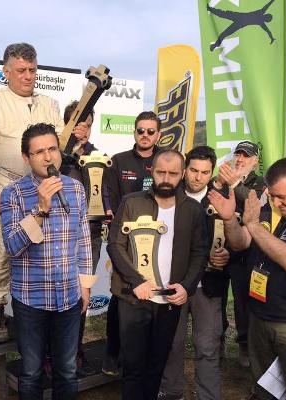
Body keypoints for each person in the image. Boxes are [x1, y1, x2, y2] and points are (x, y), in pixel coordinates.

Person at [208, 157, 286, 400]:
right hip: (261, 318)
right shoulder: (272, 210)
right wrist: (229, 220)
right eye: (272, 196)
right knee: (265, 390)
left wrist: (253, 225)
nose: (276, 202)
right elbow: (240, 243)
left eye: (282, 197)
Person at [0, 42, 64, 342]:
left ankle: (39, 312)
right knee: (2, 248)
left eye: (32, 70)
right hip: (6, 185)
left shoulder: (49, 103)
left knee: (43, 249)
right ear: (6, 72)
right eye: (21, 70)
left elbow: (60, 145)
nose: (27, 76)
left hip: (44, 187)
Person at [0, 123, 95, 399]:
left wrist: (85, 286)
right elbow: (13, 247)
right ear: (26, 157)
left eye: (52, 149)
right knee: (31, 372)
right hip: (30, 298)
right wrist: (40, 210)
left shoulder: (75, 188)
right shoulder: (13, 193)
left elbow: (83, 241)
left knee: (67, 370)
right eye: (39, 151)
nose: (48, 156)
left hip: (69, 296)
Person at [107, 149, 208, 400]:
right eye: (161, 172)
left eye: (173, 173)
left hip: (170, 299)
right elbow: (115, 245)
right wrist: (137, 281)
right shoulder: (131, 202)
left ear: (182, 174)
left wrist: (187, 286)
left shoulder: (193, 210)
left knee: (157, 365)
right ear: (151, 171)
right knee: (133, 367)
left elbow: (199, 253)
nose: (166, 178)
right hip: (135, 297)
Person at [159, 146, 230, 400]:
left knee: (207, 346)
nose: (198, 177)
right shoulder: (167, 195)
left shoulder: (222, 199)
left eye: (205, 172)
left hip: (209, 285)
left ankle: (208, 396)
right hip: (174, 282)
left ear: (212, 173)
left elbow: (237, 236)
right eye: (193, 170)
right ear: (184, 169)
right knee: (172, 342)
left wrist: (228, 254)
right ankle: (171, 392)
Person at [102, 110, 162, 375]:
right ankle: (113, 353)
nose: (145, 135)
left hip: (158, 240)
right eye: (140, 130)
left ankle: (147, 356)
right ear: (134, 132)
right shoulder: (119, 161)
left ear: (158, 134)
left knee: (154, 295)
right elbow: (111, 200)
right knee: (120, 295)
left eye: (150, 131)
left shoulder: (166, 159)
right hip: (125, 242)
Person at [59, 101, 103, 376]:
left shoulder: (98, 156)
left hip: (91, 237)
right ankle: (56, 353)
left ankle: (75, 351)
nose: (82, 130)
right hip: (61, 237)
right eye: (77, 124)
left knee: (82, 297)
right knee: (59, 296)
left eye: (87, 125)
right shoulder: (56, 156)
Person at [215, 140, 265, 367]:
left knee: (242, 300)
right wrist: (219, 183)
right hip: (217, 249)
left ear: (255, 161)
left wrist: (235, 184)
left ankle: (244, 344)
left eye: (246, 155)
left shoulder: (260, 183)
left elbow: (256, 206)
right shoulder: (222, 179)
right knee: (215, 297)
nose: (241, 159)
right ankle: (217, 340)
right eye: (238, 154)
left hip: (243, 251)